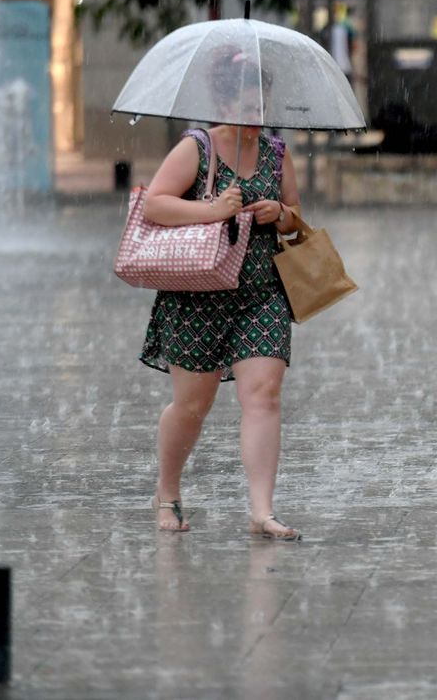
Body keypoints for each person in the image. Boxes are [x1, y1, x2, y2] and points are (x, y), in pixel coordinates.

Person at [138, 45, 304, 540]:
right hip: (198, 293)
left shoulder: (277, 153)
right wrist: (213, 209)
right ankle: (167, 491)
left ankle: (261, 510)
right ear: (223, 104)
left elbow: (298, 219)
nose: (254, 116)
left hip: (261, 292)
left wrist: (282, 213)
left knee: (264, 394)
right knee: (192, 406)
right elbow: (154, 206)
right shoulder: (197, 148)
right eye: (245, 105)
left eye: (261, 104)